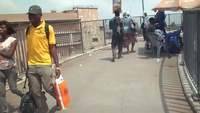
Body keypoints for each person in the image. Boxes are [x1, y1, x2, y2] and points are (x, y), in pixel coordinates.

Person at [26, 5, 61, 113]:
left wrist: (57, 65)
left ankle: (59, 99)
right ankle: (43, 109)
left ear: (40, 16)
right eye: (29, 15)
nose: (30, 17)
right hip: (31, 65)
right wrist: (27, 65)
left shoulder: (48, 28)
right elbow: (30, 48)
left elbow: (53, 47)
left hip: (45, 64)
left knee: (49, 88)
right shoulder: (28, 29)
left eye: (33, 15)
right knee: (35, 92)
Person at [0, 20, 24, 113]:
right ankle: (5, 110)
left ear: (7, 29)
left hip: (10, 69)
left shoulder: (13, 40)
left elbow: (9, 54)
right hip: (0, 70)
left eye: (2, 27)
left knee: (13, 89)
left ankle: (25, 96)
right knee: (1, 93)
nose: (0, 29)